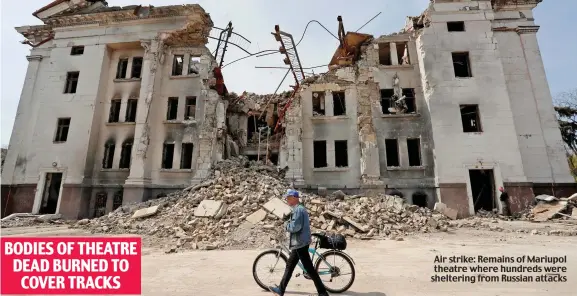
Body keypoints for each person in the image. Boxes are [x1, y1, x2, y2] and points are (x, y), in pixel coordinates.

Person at [269, 189, 329, 296]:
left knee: (307, 269)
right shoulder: (299, 209)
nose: (287, 200)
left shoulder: (298, 210)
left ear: (294, 198)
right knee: (291, 266)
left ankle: (322, 292)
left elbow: (295, 227)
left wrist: (286, 224)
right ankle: (281, 290)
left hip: (299, 243)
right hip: (300, 243)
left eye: (288, 198)